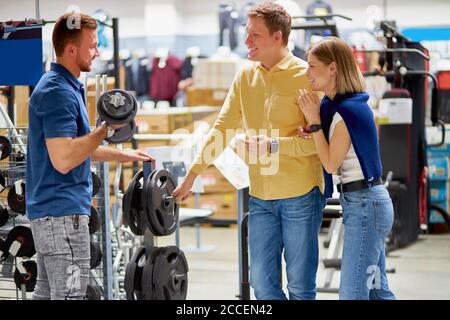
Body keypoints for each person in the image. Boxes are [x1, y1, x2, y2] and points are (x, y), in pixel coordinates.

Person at [173, 2, 325, 300]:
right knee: (262, 285)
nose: (246, 42)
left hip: (301, 195)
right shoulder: (245, 77)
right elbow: (222, 129)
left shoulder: (306, 77)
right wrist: (192, 176)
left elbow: (319, 143)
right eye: (247, 34)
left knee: (300, 287)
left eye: (254, 35)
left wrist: (276, 146)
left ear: (278, 37)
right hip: (261, 197)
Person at [26, 13, 153, 300]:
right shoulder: (57, 92)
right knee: (70, 295)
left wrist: (124, 154)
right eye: (92, 46)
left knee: (46, 294)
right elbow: (64, 159)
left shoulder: (62, 86)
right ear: (71, 50)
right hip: (62, 215)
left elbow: (79, 147)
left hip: (51, 214)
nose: (97, 51)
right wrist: (106, 129)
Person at [297, 36, 396, 300]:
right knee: (377, 292)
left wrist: (315, 122)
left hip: (366, 206)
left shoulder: (347, 112)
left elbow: (330, 163)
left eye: (312, 66)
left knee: (352, 293)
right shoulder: (339, 107)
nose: (307, 74)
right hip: (365, 204)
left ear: (332, 68)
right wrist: (315, 128)